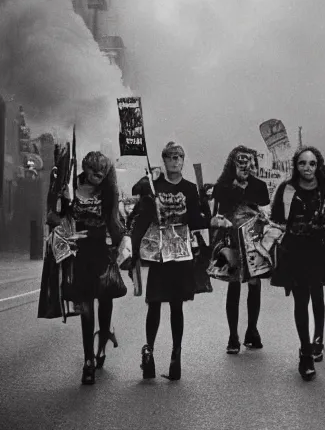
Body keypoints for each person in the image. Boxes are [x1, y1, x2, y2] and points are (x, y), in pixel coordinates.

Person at [269, 146, 325, 380]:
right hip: (294, 249)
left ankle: (318, 339)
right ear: (295, 166)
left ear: (318, 165)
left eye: (311, 163)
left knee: (317, 296)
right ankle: (305, 352)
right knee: (301, 300)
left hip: (318, 248)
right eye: (302, 163)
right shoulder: (286, 190)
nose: (307, 168)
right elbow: (276, 220)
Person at [47, 151, 129, 384]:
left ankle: (101, 344)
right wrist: (61, 200)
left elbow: (116, 222)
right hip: (79, 251)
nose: (99, 176)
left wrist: (121, 245)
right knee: (85, 305)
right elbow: (56, 216)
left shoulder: (109, 190)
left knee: (105, 300)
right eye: (95, 172)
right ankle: (88, 360)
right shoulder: (71, 185)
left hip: (102, 251)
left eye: (103, 173)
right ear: (85, 168)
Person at [131, 142, 208, 381]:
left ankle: (176, 356)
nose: (175, 160)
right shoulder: (155, 185)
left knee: (176, 305)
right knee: (154, 303)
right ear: (163, 160)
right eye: (171, 157)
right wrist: (146, 186)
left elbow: (196, 220)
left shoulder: (190, 188)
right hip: (158, 253)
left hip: (181, 252)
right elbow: (141, 209)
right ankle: (150, 353)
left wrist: (206, 210)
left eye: (179, 157)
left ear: (184, 160)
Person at [208, 146, 271, 354]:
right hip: (232, 241)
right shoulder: (222, 186)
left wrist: (264, 219)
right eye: (241, 162)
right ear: (232, 163)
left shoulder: (260, 186)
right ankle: (233, 336)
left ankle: (252, 330)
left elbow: (266, 214)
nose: (246, 166)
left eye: (250, 162)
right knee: (233, 285)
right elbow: (216, 215)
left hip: (253, 241)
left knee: (254, 284)